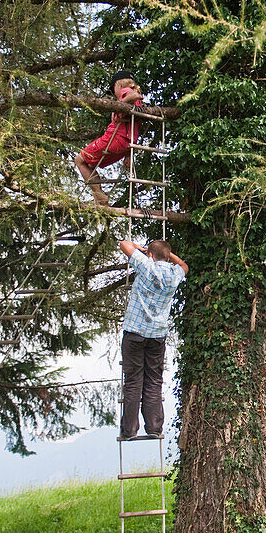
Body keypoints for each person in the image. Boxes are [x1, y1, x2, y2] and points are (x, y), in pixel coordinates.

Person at [118, 238, 188, 440]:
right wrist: (168, 255)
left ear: (150, 255)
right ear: (166, 257)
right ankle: (154, 427)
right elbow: (183, 265)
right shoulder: (174, 274)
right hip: (157, 335)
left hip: (135, 333)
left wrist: (141, 249)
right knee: (154, 381)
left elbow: (124, 244)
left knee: (133, 382)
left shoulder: (146, 265)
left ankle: (130, 431)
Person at [74, 71, 143, 206]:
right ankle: (99, 198)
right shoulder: (138, 106)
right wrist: (129, 155)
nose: (114, 93)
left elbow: (135, 95)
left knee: (79, 160)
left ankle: (99, 196)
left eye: (113, 90)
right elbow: (132, 127)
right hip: (126, 145)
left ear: (118, 85)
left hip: (114, 140)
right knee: (90, 164)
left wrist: (117, 106)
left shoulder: (126, 91)